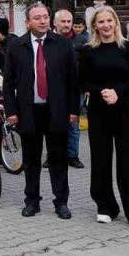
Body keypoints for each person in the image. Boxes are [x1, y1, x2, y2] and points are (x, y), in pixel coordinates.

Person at [2, 4, 79, 219]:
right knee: (31, 159)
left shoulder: (62, 45)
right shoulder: (17, 47)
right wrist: (11, 111)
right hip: (28, 111)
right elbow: (8, 84)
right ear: (28, 22)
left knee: (58, 158)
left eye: (46, 17)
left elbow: (74, 80)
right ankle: (32, 201)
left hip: (56, 111)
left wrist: (73, 109)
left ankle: (61, 202)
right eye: (38, 18)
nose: (43, 21)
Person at [79, 7, 129, 229]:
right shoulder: (88, 50)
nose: (106, 25)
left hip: (124, 108)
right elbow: (83, 80)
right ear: (95, 26)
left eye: (109, 21)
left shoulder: (127, 47)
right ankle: (105, 206)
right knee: (101, 159)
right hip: (99, 110)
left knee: (128, 159)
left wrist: (117, 92)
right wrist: (103, 92)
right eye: (101, 22)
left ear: (116, 23)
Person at [53, 9, 87, 169]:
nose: (66, 25)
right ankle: (53, 155)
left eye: (69, 22)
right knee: (52, 124)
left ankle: (73, 155)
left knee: (73, 124)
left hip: (75, 90)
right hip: (53, 90)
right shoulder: (48, 41)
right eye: (63, 21)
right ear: (55, 23)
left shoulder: (80, 41)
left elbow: (86, 66)